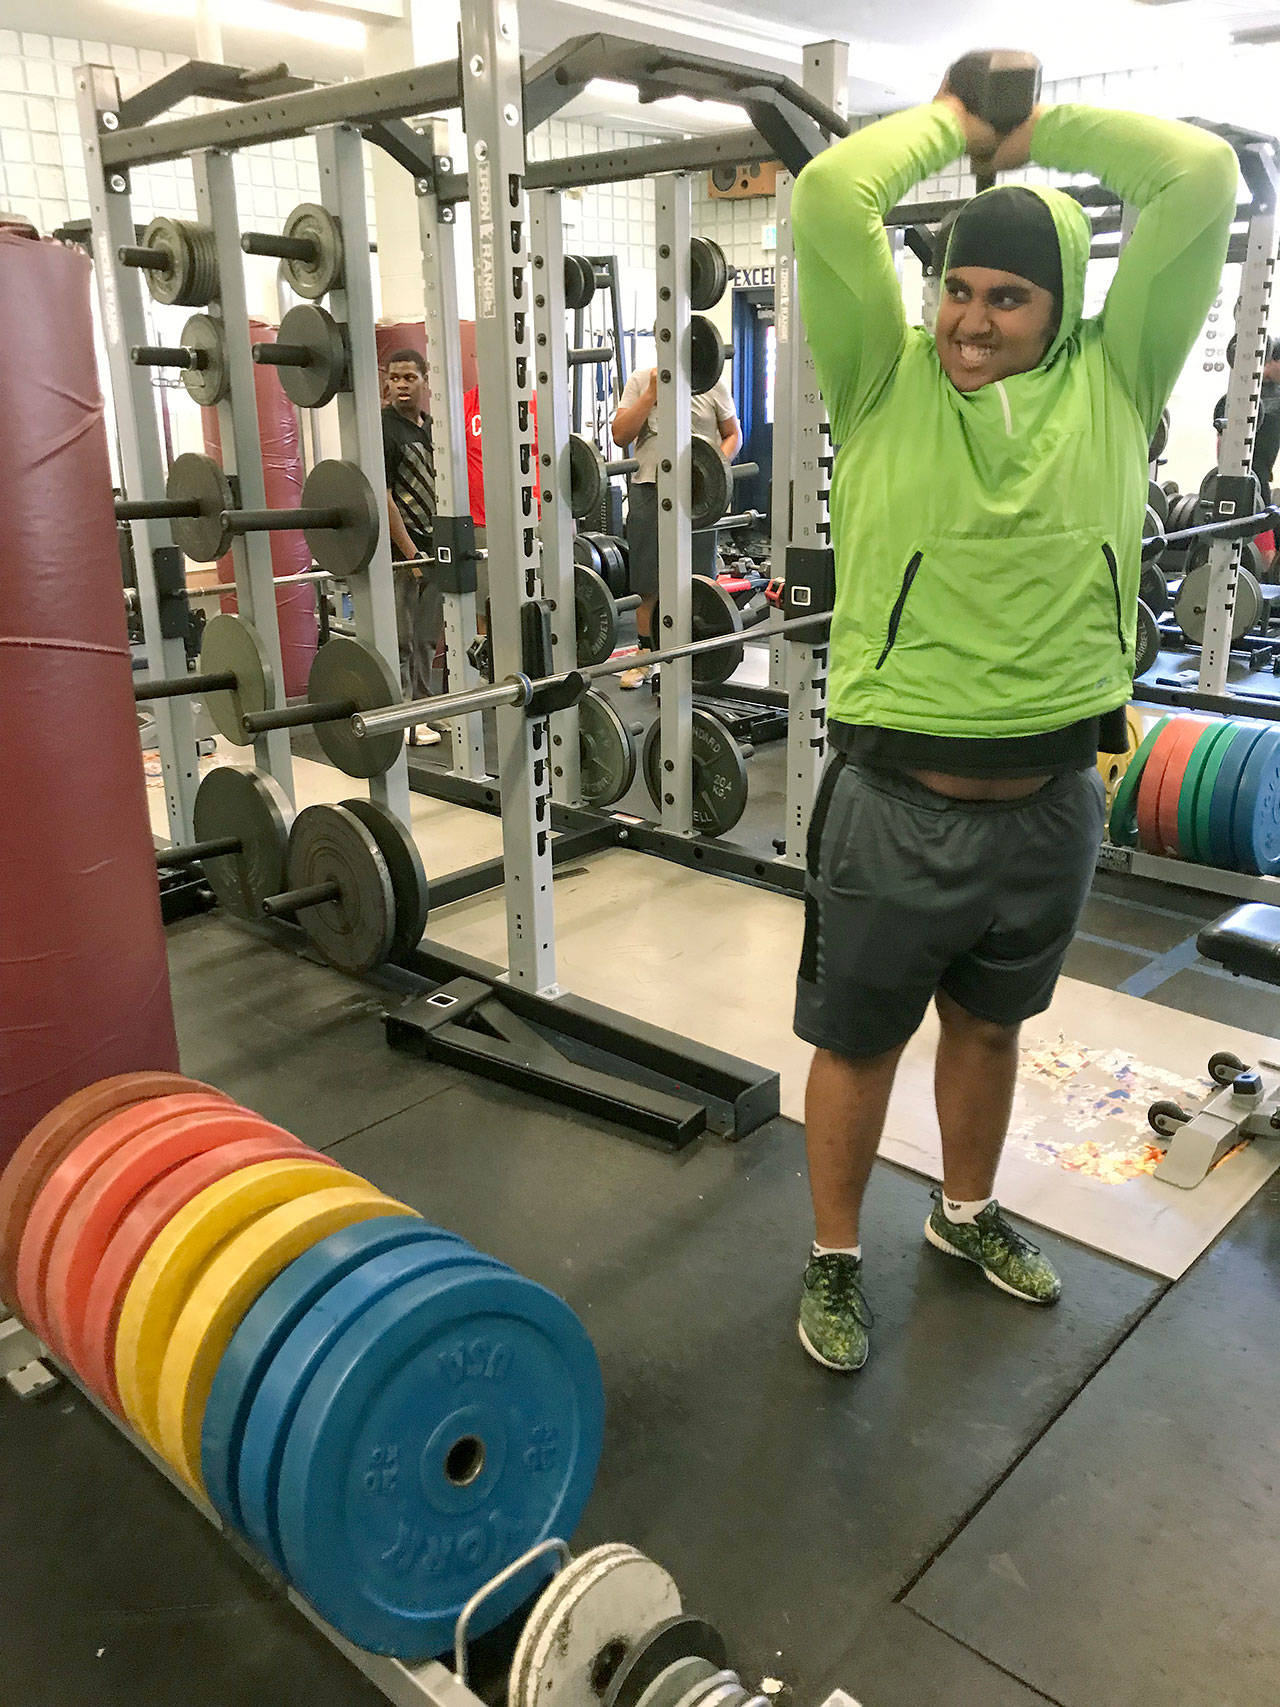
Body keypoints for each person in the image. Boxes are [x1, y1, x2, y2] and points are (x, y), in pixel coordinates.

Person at [789, 73, 1236, 1371]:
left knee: (994, 1028)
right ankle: (831, 1257)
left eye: (1007, 295)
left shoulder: (1120, 377)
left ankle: (964, 1213)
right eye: (958, 289)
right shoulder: (886, 377)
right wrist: (955, 127)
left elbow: (1199, 177)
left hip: (1051, 801)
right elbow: (831, 194)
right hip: (893, 800)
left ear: (1065, 306)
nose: (972, 319)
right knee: (858, 1044)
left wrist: (1041, 138)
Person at [610, 363, 740, 689]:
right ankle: (645, 658)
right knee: (646, 577)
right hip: (648, 488)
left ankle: (698, 660)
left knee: (699, 578)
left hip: (698, 495)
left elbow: (733, 434)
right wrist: (652, 393)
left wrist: (713, 468)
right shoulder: (642, 380)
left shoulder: (713, 384)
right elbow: (620, 435)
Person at [382, 348, 443, 746]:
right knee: (402, 638)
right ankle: (406, 717)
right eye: (395, 378)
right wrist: (409, 553)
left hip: (435, 544)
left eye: (410, 377)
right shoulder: (384, 429)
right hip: (401, 551)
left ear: (424, 380)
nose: (402, 385)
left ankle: (428, 708)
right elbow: (384, 497)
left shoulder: (431, 427)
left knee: (427, 637)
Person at [1213, 337, 1280, 561]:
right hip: (1247, 480)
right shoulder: (1242, 391)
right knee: (1265, 556)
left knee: (1268, 556)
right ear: (1272, 361)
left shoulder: (1276, 391)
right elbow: (1222, 440)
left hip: (1262, 479)